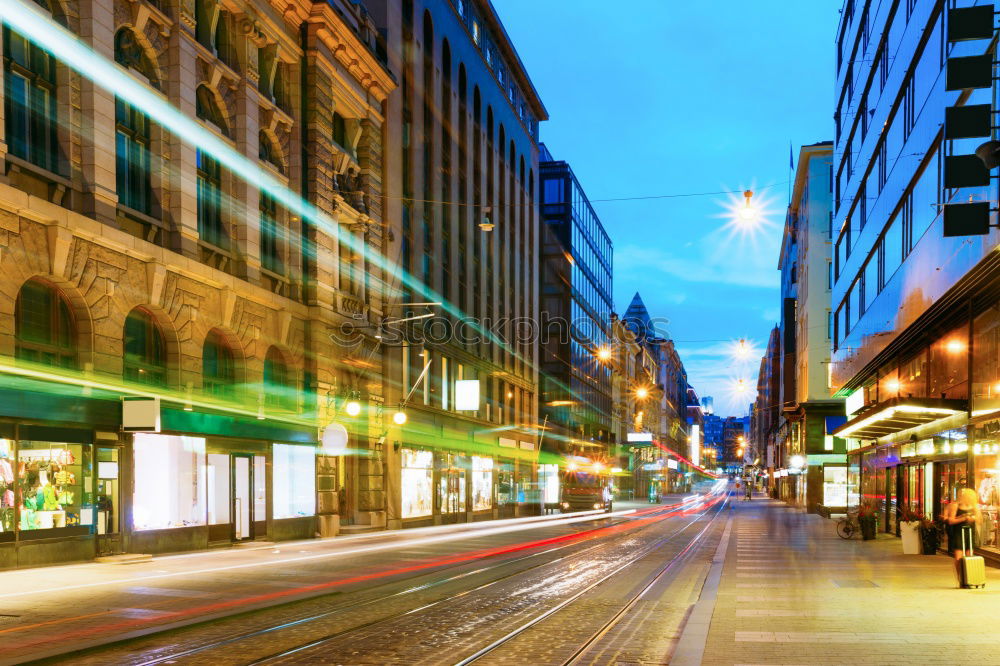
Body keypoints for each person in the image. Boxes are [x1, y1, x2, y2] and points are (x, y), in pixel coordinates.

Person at [942, 487, 982, 584]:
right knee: (958, 558)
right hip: (959, 533)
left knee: (970, 556)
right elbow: (950, 521)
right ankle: (961, 578)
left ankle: (969, 578)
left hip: (970, 533)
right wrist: (963, 518)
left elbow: (979, 519)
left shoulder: (974, 507)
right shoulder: (956, 506)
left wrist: (973, 518)